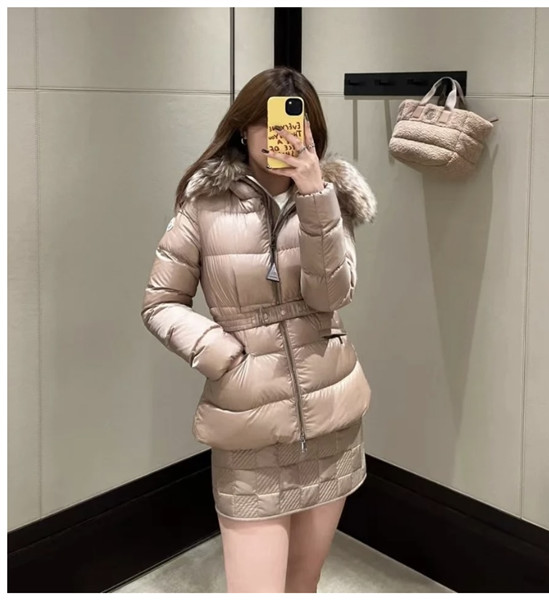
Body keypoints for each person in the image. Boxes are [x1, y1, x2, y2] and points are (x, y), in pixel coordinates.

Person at [141, 66, 377, 593]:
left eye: (292, 124)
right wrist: (224, 356)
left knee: (303, 584)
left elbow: (331, 296)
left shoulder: (331, 198)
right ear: (242, 130)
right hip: (249, 432)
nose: (277, 136)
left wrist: (314, 195)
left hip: (331, 421)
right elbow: (160, 303)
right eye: (265, 123)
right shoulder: (204, 204)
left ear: (311, 131)